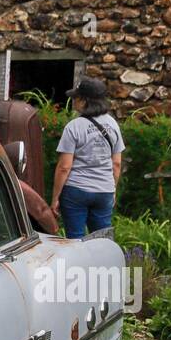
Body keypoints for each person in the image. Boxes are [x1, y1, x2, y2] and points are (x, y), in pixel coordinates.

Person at [50, 77, 124, 238]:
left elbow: (64, 167)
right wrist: (113, 190)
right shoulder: (113, 124)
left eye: (75, 97)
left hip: (76, 191)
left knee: (75, 239)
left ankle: (77, 263)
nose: (73, 101)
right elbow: (116, 163)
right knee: (102, 240)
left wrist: (55, 197)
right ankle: (103, 264)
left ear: (84, 100)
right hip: (104, 190)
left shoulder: (73, 127)